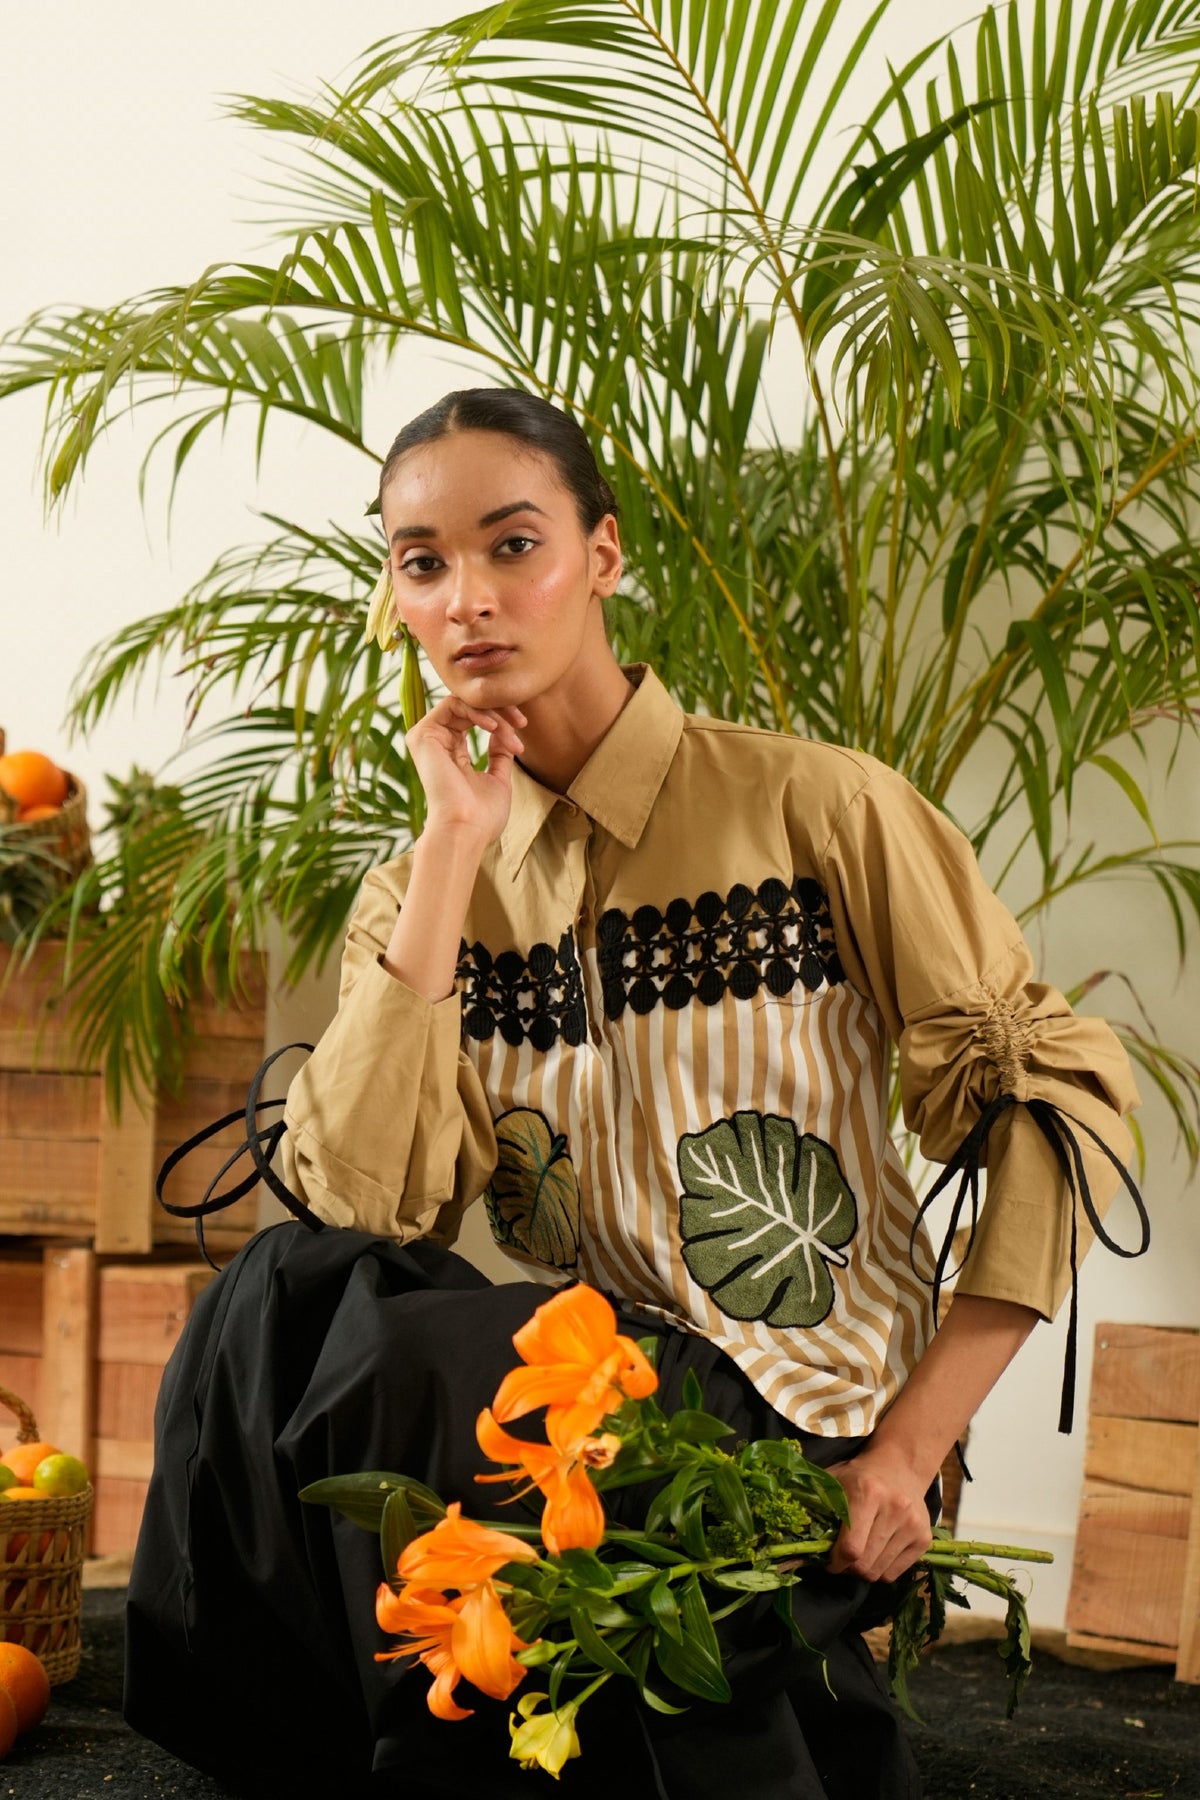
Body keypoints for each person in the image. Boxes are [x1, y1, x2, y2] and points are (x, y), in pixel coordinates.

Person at [125, 389, 1144, 1800]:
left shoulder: (819, 809)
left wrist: (911, 1454)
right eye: (423, 562)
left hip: (794, 1442)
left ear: (602, 556)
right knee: (276, 1300)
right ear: (394, 598)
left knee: (426, 1374)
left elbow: (1056, 1112)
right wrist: (449, 849)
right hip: (587, 1421)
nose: (468, 596)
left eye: (512, 545)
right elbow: (355, 1204)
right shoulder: (424, 884)